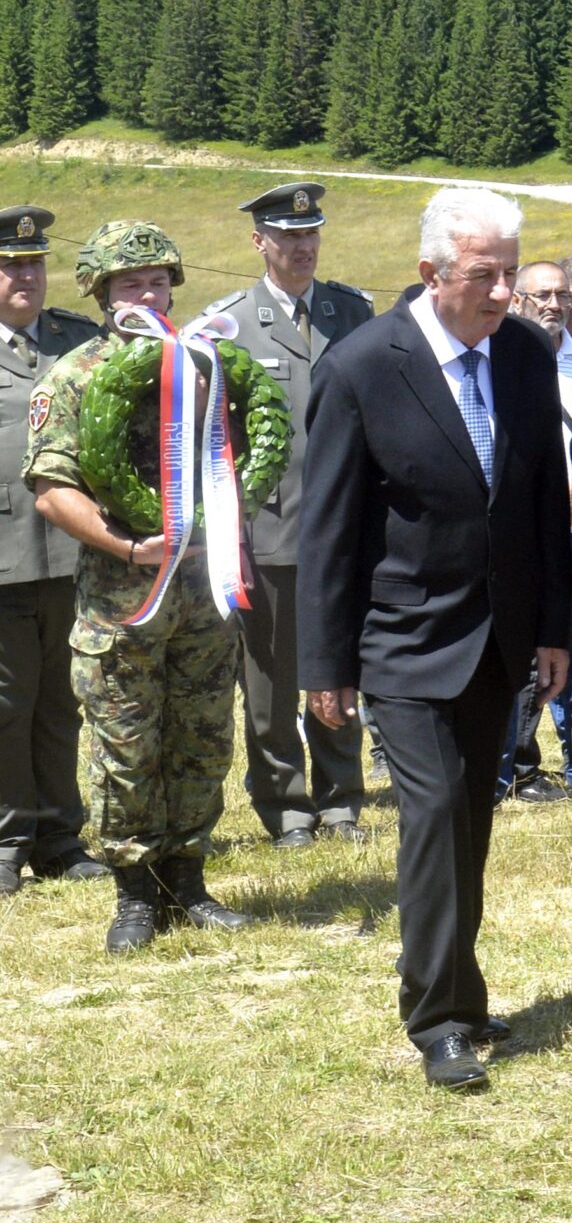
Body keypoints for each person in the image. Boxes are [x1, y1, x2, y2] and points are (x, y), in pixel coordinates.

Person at [301, 187, 571, 1091]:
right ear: (430, 272)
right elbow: (328, 528)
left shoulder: (525, 354)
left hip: (499, 635)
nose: (503, 292)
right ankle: (439, 1018)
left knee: (471, 818)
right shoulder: (362, 366)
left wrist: (553, 627)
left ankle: (461, 984)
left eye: (510, 272)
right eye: (483, 275)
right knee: (435, 810)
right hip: (402, 637)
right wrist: (326, 663)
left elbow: (544, 499)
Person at [25, 221, 257, 953]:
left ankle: (188, 881)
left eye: (159, 282)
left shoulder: (206, 363)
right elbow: (51, 488)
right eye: (132, 284)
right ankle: (134, 894)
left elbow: (248, 454)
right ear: (101, 293)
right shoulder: (74, 375)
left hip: (203, 597)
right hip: (122, 602)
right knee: (125, 748)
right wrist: (129, 545)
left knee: (202, 738)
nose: (149, 294)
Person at [202, 182, 375, 849]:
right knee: (271, 680)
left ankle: (341, 800)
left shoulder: (351, 312)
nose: (303, 247)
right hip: (270, 527)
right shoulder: (228, 324)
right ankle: (286, 807)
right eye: (288, 236)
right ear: (259, 242)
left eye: (310, 234)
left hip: (347, 526)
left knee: (340, 664)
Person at [0, 206, 107, 897]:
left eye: (35, 264)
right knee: (7, 704)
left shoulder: (77, 339)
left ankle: (61, 837)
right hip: (3, 558)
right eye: (11, 266)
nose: (26, 277)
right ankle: (8, 838)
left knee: (63, 701)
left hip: (71, 552)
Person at [493, 261, 572, 803]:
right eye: (542, 295)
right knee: (507, 658)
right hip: (516, 535)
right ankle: (501, 773)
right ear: (517, 299)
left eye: (562, 295)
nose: (555, 305)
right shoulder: (496, 359)